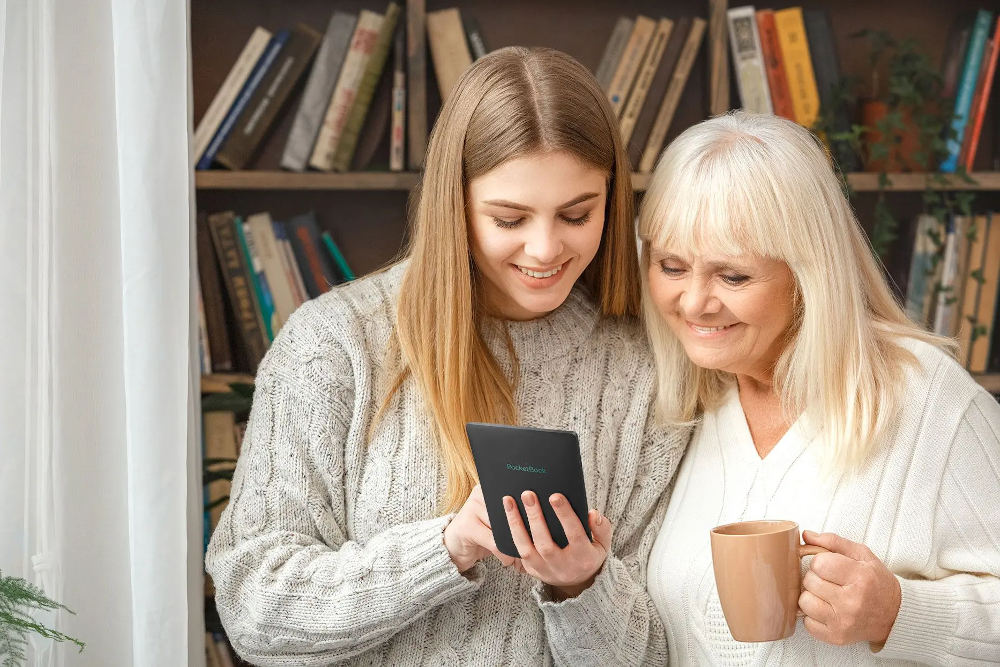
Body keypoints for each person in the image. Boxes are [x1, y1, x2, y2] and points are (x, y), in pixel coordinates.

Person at [206, 46, 687, 666]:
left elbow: (649, 656)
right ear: (454, 204)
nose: (545, 249)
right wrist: (444, 549)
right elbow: (253, 610)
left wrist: (582, 584)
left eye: (576, 214)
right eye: (509, 218)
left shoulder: (641, 367)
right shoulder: (333, 344)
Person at [640, 111, 1000, 665]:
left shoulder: (926, 399)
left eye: (733, 276)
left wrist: (899, 613)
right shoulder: (681, 405)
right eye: (671, 266)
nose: (693, 303)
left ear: (810, 272)